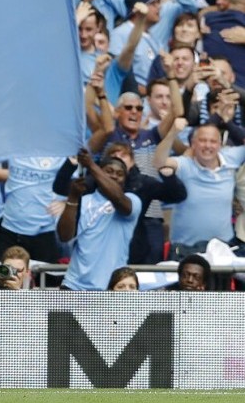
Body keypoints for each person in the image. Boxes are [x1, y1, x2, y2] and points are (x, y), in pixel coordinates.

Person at [154, 120, 245, 260]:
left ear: (220, 145)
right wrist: (172, 133)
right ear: (193, 144)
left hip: (223, 249)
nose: (208, 145)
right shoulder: (184, 164)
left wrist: (228, 122)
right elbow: (158, 162)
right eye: (202, 140)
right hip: (185, 249)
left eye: (213, 141)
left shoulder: (231, 158)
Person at [58, 150, 142, 291]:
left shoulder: (131, 201)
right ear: (100, 174)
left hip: (111, 287)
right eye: (109, 171)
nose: (114, 176)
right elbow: (64, 236)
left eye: (120, 174)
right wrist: (72, 198)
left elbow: (118, 198)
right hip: (74, 285)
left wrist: (90, 164)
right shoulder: (83, 201)